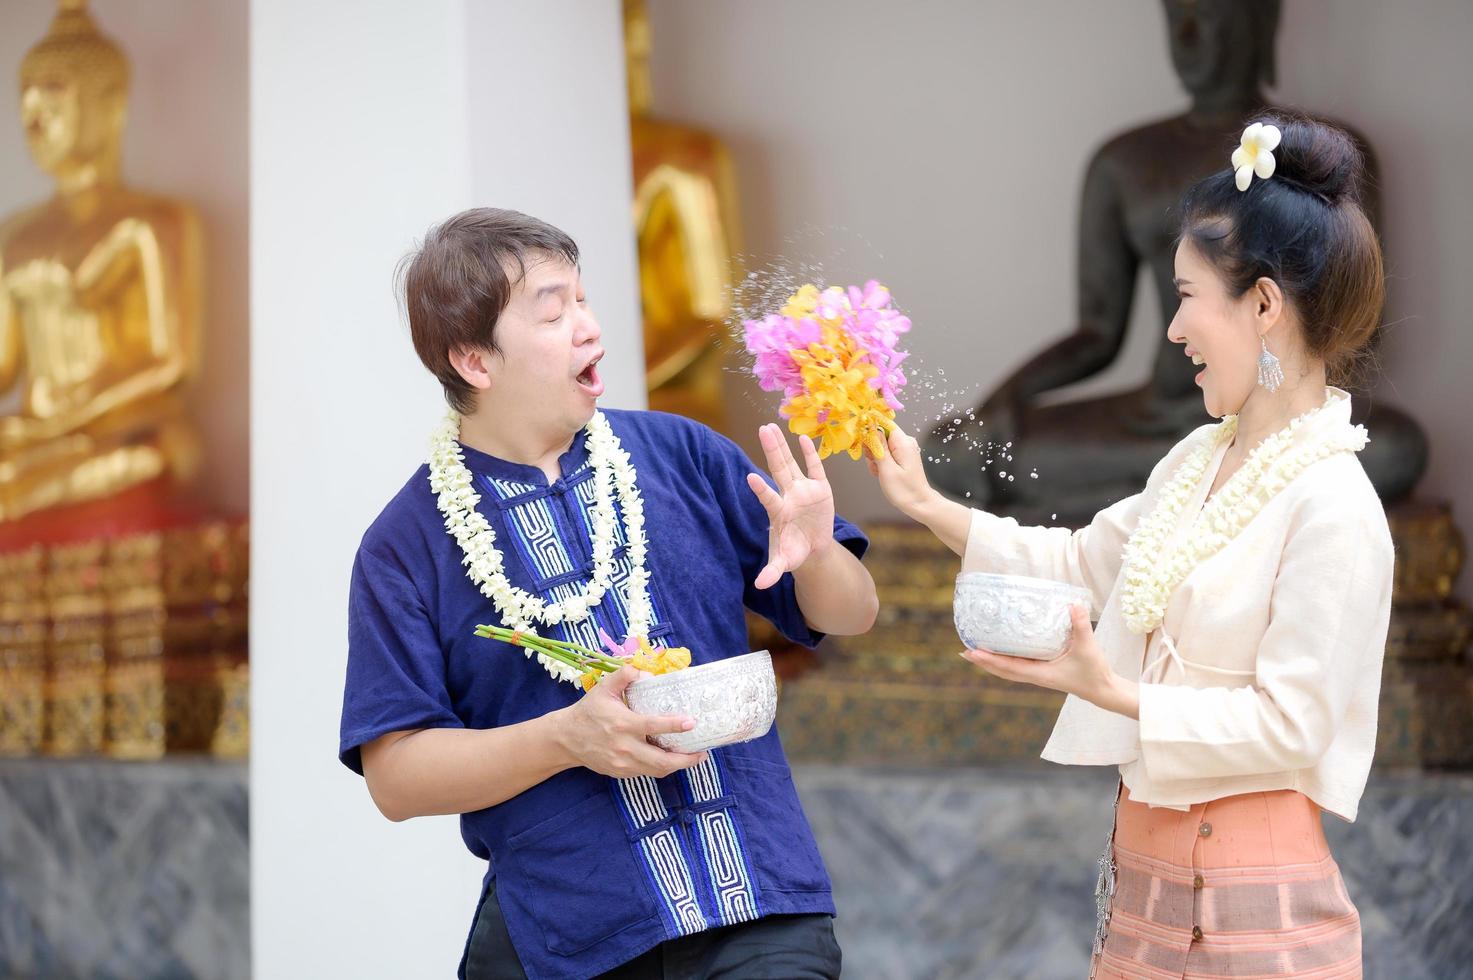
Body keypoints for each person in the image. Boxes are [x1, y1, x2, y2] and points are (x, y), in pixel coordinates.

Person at [871, 113, 1391, 978]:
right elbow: (1081, 564)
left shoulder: (1334, 500)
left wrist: (1112, 690)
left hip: (1250, 902)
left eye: (1187, 298)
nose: (1173, 331)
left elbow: (1293, 724)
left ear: (1263, 305)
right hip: (1143, 882)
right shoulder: (1197, 458)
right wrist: (926, 503)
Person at [339, 208, 877, 979]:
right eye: (555, 312)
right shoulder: (404, 544)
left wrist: (819, 553)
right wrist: (566, 738)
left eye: (584, 301)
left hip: (760, 904)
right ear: (475, 362)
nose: (589, 327)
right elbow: (396, 778)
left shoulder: (681, 453)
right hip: (572, 934)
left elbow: (852, 612)